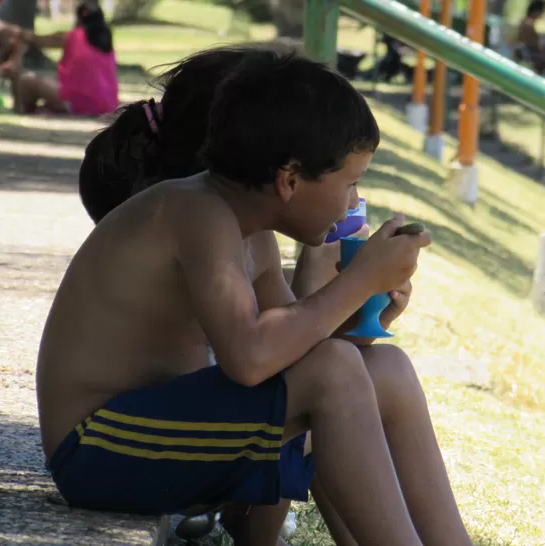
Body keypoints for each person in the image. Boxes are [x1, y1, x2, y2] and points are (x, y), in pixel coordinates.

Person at [39, 46, 472, 546]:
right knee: (333, 369)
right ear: (289, 179)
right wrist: (360, 281)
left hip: (157, 435)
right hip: (99, 448)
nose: (353, 201)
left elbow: (294, 344)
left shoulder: (251, 232)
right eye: (350, 183)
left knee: (384, 368)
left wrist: (364, 309)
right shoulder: (196, 212)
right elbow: (250, 358)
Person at [5, 1, 118, 115]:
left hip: (76, 102)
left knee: (26, 81)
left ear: (79, 19)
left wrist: (17, 31)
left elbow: (37, 40)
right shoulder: (107, 42)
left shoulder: (72, 36)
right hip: (106, 104)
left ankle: (22, 112)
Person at [516, 1, 545, 74]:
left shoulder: (524, 22)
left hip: (528, 54)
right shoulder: (528, 25)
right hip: (530, 56)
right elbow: (533, 44)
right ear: (536, 12)